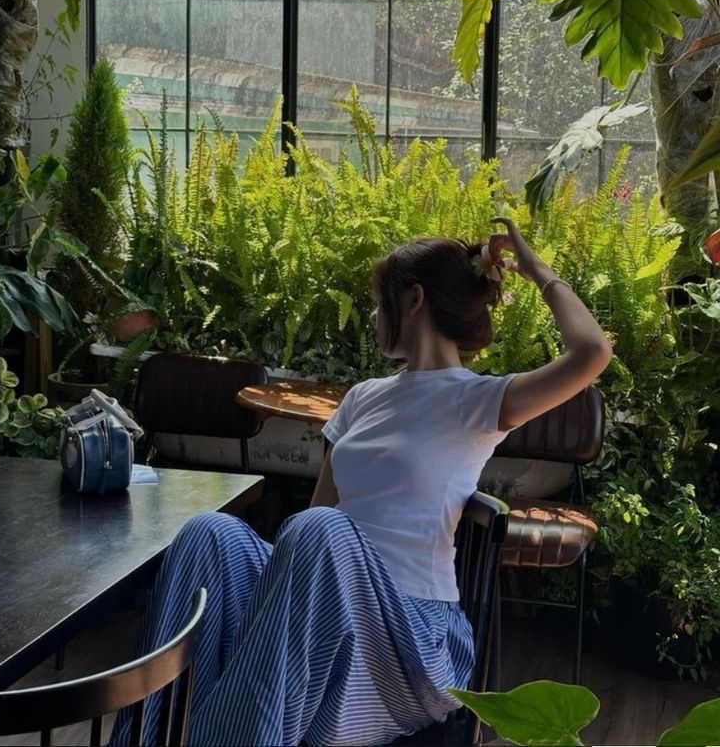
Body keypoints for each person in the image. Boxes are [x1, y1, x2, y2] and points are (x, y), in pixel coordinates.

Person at [109, 218, 612, 747]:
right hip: (331, 619)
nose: (372, 317)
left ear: (414, 300)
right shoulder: (363, 397)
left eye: (378, 302)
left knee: (319, 530)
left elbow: (592, 353)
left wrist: (538, 272)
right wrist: (268, 604)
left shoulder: (477, 400)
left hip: (411, 643)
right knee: (209, 535)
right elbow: (309, 523)